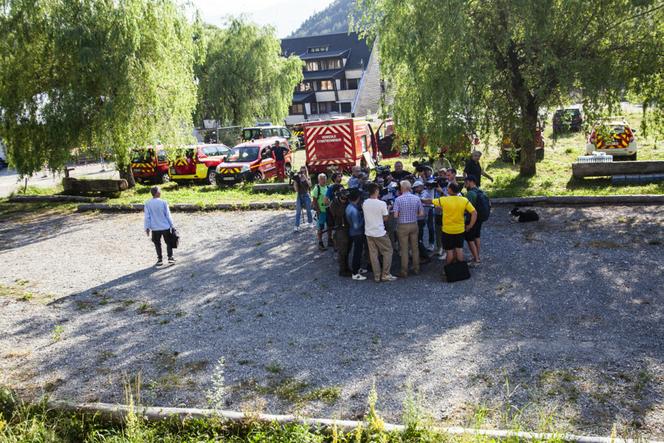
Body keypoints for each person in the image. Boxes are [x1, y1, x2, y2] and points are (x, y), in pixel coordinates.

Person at [432, 182, 477, 266]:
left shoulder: (444, 200)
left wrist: (419, 199)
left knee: (449, 251)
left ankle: (448, 270)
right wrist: (470, 225)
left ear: (450, 189)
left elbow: (429, 201)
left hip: (447, 230)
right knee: (459, 249)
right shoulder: (464, 200)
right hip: (460, 229)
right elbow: (474, 213)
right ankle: (460, 269)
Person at [363, 183, 397, 282]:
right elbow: (385, 218)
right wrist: (389, 208)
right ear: (376, 191)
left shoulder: (364, 203)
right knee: (388, 251)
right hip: (379, 232)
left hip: (369, 232)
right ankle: (385, 274)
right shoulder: (382, 203)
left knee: (373, 254)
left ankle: (377, 276)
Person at [392, 180, 424, 278]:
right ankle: (416, 268)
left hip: (403, 226)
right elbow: (422, 213)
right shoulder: (416, 198)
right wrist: (414, 215)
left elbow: (395, 215)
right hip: (414, 224)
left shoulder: (398, 199)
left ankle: (404, 271)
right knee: (415, 248)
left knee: (404, 249)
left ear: (402, 188)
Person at [144, 186, 176, 267]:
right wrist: (172, 225)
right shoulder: (163, 202)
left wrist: (147, 227)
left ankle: (160, 259)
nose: (160, 192)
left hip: (155, 228)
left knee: (157, 243)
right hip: (165, 226)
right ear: (157, 193)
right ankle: (170, 258)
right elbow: (168, 215)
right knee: (168, 242)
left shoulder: (147, 203)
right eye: (160, 191)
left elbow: (147, 217)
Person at [328, 188, 352, 276]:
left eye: (346, 198)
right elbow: (340, 213)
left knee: (347, 250)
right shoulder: (334, 204)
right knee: (342, 251)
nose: (344, 200)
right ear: (339, 197)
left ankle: (346, 268)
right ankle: (342, 270)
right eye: (343, 198)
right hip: (340, 229)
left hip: (347, 228)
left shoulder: (347, 202)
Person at [345, 188, 367, 280]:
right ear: (357, 198)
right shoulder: (353, 210)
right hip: (356, 233)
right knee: (357, 253)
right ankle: (355, 273)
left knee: (358, 251)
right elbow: (356, 225)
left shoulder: (350, 206)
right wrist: (364, 217)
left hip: (353, 232)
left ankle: (357, 268)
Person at [463, 175, 484, 265]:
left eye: (466, 182)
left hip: (471, 219)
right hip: (480, 218)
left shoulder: (470, 194)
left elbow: (466, 208)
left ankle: (476, 259)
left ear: (471, 182)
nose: (465, 184)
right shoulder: (481, 191)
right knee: (477, 237)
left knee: (470, 239)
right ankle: (477, 255)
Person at [312, 173, 331, 250]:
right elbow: (314, 201)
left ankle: (330, 240)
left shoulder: (328, 187)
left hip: (328, 210)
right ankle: (320, 242)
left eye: (325, 178)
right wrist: (318, 211)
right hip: (321, 211)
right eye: (322, 179)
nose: (324, 180)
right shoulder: (317, 189)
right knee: (321, 227)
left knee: (330, 226)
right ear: (319, 180)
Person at [293, 166, 313, 232]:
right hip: (299, 195)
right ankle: (296, 226)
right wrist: (295, 183)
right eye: (301, 171)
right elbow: (296, 190)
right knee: (298, 211)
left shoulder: (308, 177)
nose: (303, 172)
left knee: (308, 210)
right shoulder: (297, 178)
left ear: (306, 171)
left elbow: (310, 185)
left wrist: (305, 178)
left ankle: (310, 222)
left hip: (306, 195)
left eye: (304, 171)